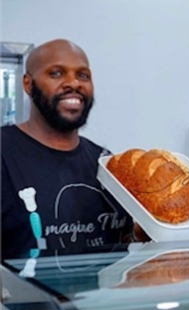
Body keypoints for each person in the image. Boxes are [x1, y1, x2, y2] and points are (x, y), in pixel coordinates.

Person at [2, 39, 132, 261]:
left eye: (83, 75)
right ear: (28, 84)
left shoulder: (107, 163)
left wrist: (144, 233)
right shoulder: (5, 152)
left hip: (97, 296)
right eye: (56, 73)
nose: (73, 83)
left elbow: (121, 241)